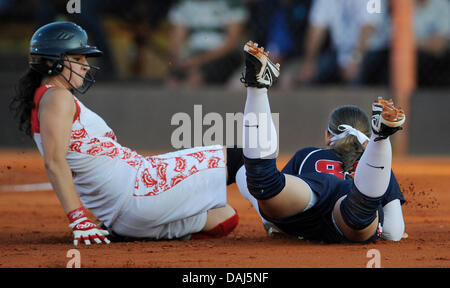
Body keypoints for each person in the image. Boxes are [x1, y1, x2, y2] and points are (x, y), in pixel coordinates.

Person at [9, 22, 241, 246]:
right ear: (52, 62)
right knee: (238, 157)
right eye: (77, 59)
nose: (86, 66)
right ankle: (278, 221)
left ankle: (127, 232)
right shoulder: (57, 96)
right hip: (138, 188)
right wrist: (78, 218)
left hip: (126, 213)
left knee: (225, 217)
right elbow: (55, 162)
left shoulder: (48, 98)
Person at [236, 40, 406, 243]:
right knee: (359, 212)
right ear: (365, 142)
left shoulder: (309, 155)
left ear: (328, 136)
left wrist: (274, 223)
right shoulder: (381, 172)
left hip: (313, 191)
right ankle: (381, 136)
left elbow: (272, 211)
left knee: (265, 184)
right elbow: (393, 232)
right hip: (350, 202)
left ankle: (257, 88)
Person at [297, 0, 391, 86]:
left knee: (355, 80)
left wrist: (355, 59)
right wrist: (309, 62)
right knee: (311, 77)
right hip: (340, 51)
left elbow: (369, 26)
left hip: (373, 51)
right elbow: (317, 27)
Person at [165, 0, 248, 88]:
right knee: (172, 80)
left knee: (196, 79)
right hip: (193, 54)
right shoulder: (184, 4)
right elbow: (175, 43)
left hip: (222, 55)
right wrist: (178, 61)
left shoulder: (231, 4)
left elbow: (231, 44)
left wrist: (198, 61)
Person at [414, 0, 450, 87]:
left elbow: (442, 41)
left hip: (441, 55)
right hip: (417, 54)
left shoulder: (442, 4)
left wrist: (420, 43)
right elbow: (404, 40)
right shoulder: (406, 6)